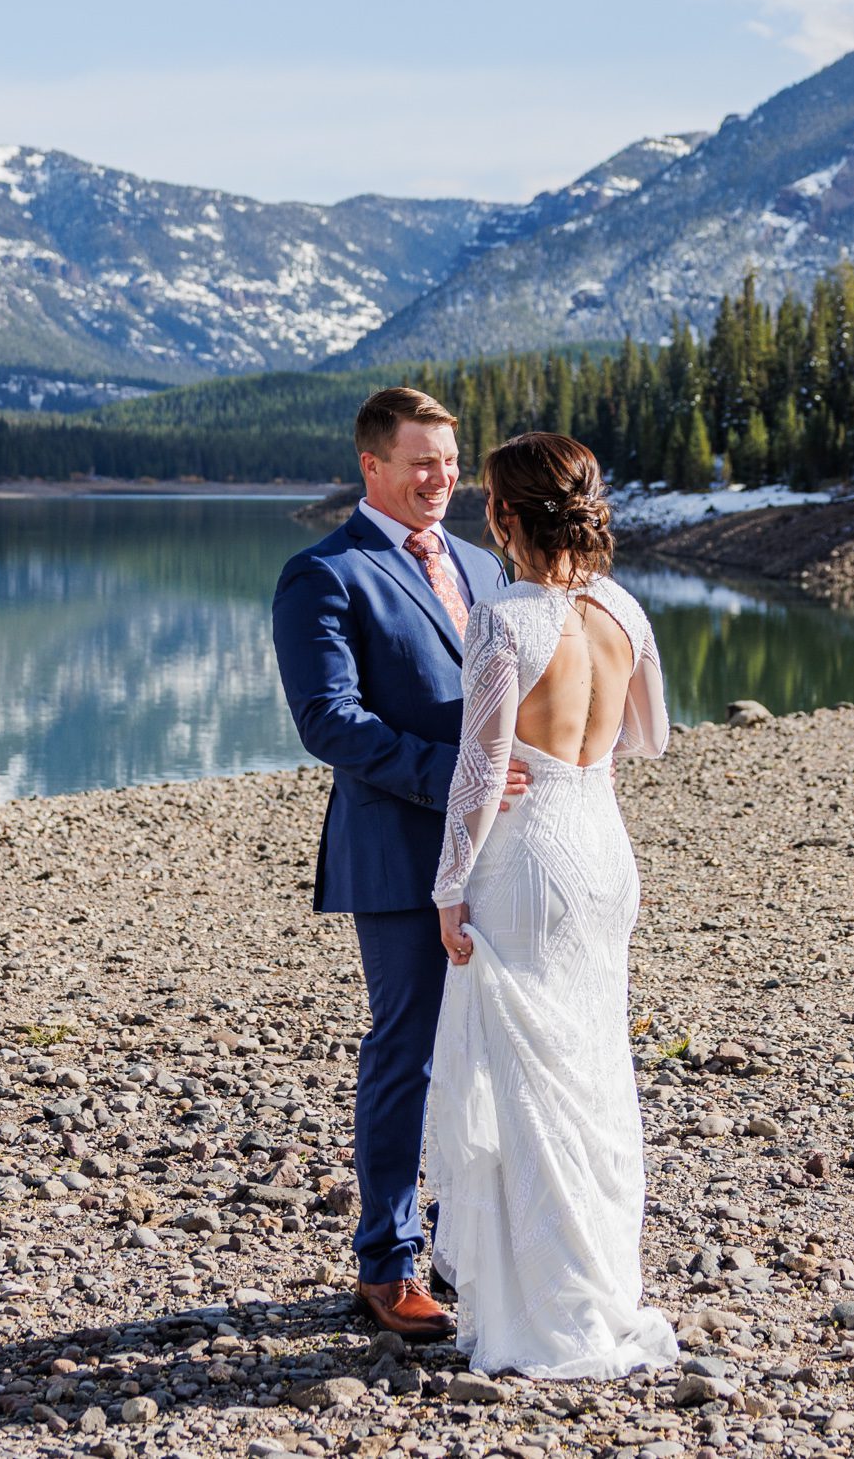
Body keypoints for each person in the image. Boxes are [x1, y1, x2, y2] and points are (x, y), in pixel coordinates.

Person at [422, 431, 678, 1379]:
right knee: (595, 1069)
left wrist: (449, 886)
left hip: (527, 863)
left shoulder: (505, 617)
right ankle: (603, 1288)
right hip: (603, 849)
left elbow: (481, 765)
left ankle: (541, 1314)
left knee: (528, 1085)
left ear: (503, 515)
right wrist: (582, 748)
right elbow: (650, 734)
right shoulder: (622, 608)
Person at [271, 387, 523, 1342]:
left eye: (450, 461)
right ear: (371, 466)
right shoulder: (324, 574)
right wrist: (461, 782)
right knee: (407, 1053)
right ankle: (388, 1262)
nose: (441, 479)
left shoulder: (479, 562)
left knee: (495, 1048)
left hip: (503, 852)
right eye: (421, 462)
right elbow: (329, 722)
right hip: (401, 849)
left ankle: (480, 1249)